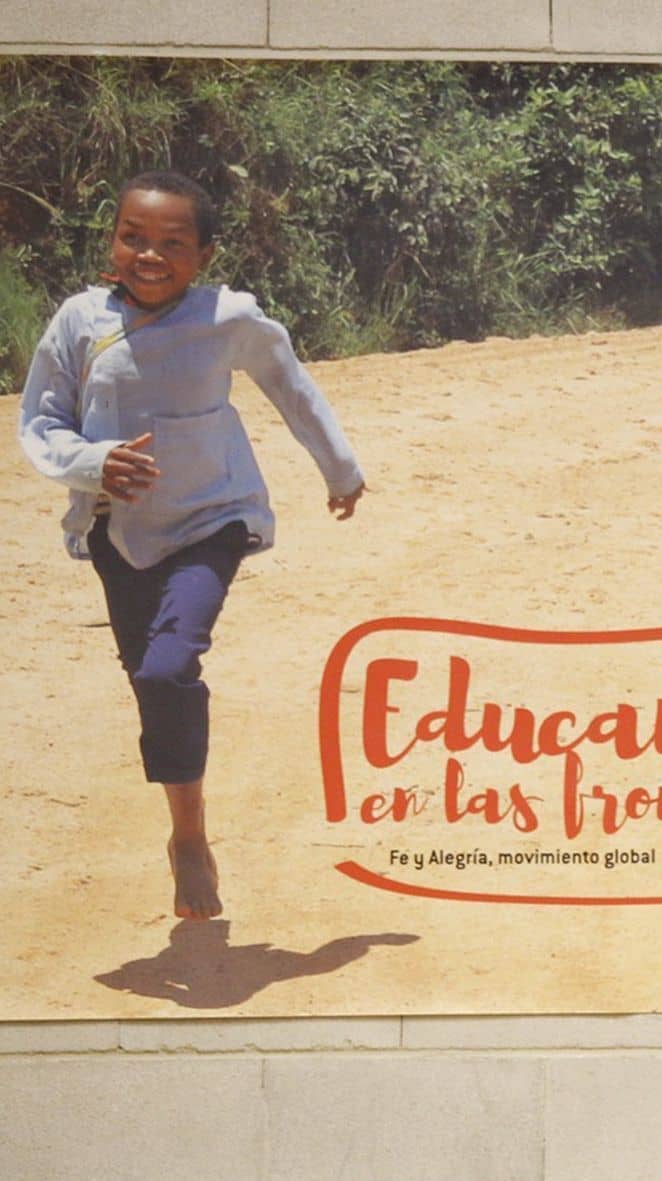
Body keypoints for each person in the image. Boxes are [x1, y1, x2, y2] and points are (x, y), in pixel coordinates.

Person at [18, 170, 367, 919]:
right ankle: (189, 828)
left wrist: (340, 468)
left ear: (202, 255)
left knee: (173, 663)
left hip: (214, 519)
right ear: (113, 242)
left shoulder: (227, 316)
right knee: (152, 679)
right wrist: (93, 461)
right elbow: (41, 423)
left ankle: (187, 845)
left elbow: (291, 385)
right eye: (133, 237)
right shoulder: (80, 322)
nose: (150, 254)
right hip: (120, 532)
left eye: (172, 243)